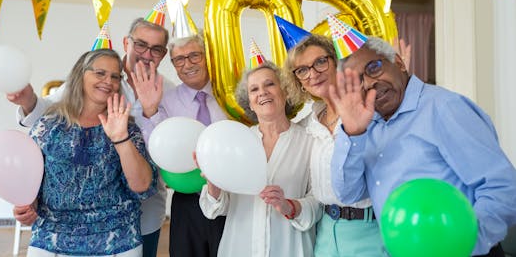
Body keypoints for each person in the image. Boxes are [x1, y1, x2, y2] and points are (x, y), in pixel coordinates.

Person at [329, 36, 516, 257]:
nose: (369, 83)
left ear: (398, 62)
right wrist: (353, 133)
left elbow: (503, 187)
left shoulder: (445, 108)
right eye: (358, 80)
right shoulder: (365, 125)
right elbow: (348, 193)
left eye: (374, 68)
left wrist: (461, 243)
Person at [7, 17, 174, 257]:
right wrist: (28, 202)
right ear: (127, 43)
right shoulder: (53, 123)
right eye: (141, 45)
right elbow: (46, 114)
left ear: (163, 54)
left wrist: (148, 114)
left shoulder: (168, 90)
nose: (147, 54)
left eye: (156, 49)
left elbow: (166, 153)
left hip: (131, 221)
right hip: (55, 234)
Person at [197, 61, 322, 257]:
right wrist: (213, 181)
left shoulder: (310, 141)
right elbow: (214, 209)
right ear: (249, 103)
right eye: (254, 89)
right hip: (239, 248)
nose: (262, 92)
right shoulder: (235, 142)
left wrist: (288, 206)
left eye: (270, 84)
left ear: (286, 91)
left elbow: (319, 201)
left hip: (290, 249)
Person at [284, 34, 387, 257]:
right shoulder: (306, 126)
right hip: (325, 232)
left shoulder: (367, 111)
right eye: (302, 70)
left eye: (320, 62)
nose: (313, 74)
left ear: (337, 61)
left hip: (370, 229)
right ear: (298, 81)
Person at [135, 32, 229, 257]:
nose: (187, 64)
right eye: (179, 59)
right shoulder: (165, 101)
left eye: (194, 56)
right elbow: (156, 148)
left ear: (207, 57)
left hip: (231, 199)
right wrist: (150, 111)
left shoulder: (229, 96)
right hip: (188, 201)